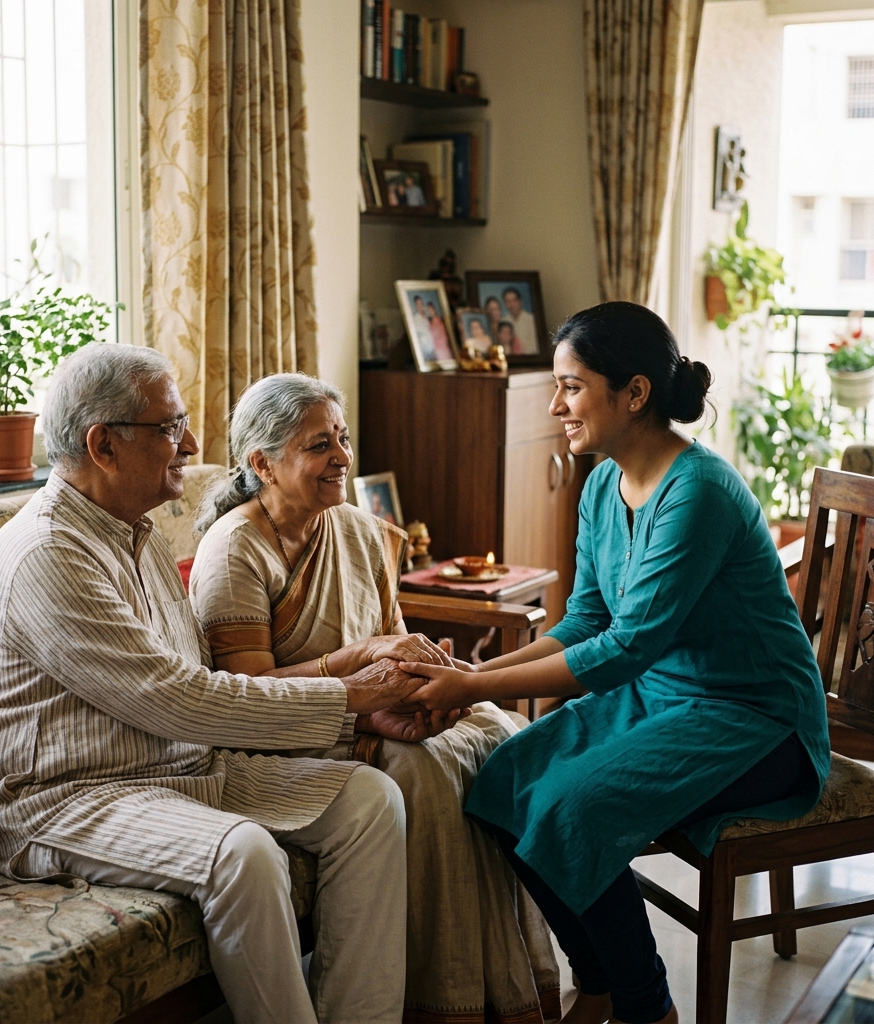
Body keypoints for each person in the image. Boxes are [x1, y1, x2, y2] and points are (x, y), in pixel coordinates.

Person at [0, 344, 441, 1024]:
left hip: (181, 771)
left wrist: (359, 720)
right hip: (68, 799)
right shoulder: (48, 552)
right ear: (103, 444)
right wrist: (356, 696)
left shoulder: (136, 533)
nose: (190, 443)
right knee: (243, 853)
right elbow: (178, 698)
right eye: (169, 428)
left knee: (369, 799)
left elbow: (192, 683)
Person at [401, 302, 831, 1024]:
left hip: (757, 719)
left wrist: (475, 684)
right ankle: (597, 982)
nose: (555, 404)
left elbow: (626, 645)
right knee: (503, 782)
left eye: (572, 386)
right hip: (660, 697)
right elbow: (588, 622)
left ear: (634, 393)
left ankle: (645, 1008)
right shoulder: (602, 483)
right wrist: (478, 686)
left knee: (576, 811)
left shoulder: (698, 492)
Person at [191, 374, 562, 1024]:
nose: (341, 457)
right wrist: (358, 679)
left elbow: (393, 643)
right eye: (318, 445)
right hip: (284, 732)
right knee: (424, 771)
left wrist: (429, 693)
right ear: (262, 464)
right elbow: (246, 697)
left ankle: (508, 992)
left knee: (499, 732)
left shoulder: (360, 531)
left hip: (366, 708)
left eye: (342, 437)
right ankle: (441, 1001)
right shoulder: (234, 551)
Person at [503, 286, 539, 353]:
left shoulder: (531, 319)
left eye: (514, 300)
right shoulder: (504, 321)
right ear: (505, 304)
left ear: (520, 301)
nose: (511, 304)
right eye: (508, 301)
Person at [410, 295, 437, 363]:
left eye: (421, 304)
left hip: (434, 350)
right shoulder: (415, 319)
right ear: (415, 306)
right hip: (425, 352)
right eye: (418, 304)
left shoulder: (427, 318)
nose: (420, 306)